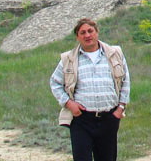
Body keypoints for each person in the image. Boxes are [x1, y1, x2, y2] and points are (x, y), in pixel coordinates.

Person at [50, 18, 130, 161]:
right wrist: (69, 104)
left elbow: (125, 81)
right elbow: (55, 83)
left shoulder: (114, 53)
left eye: (90, 31)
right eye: (82, 33)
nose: (87, 35)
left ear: (97, 32)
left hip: (109, 118)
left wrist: (120, 109)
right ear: (77, 37)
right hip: (81, 119)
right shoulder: (68, 59)